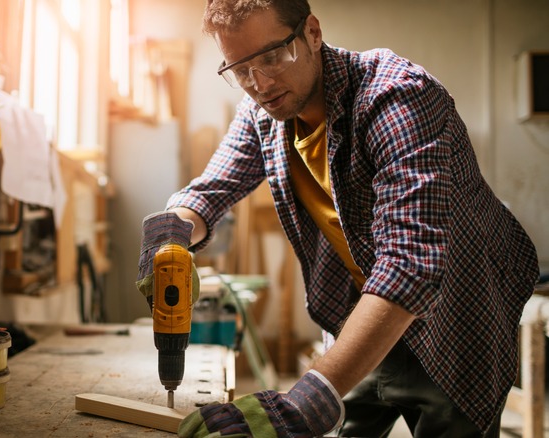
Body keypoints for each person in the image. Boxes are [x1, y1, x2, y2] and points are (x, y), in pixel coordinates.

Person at [135, 1, 539, 437]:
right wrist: (169, 232)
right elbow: (209, 192)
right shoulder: (264, 114)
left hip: (462, 314)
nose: (260, 83)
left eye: (271, 57)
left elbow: (409, 266)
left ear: (311, 32)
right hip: (368, 314)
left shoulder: (397, 96)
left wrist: (304, 404)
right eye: (240, 69)